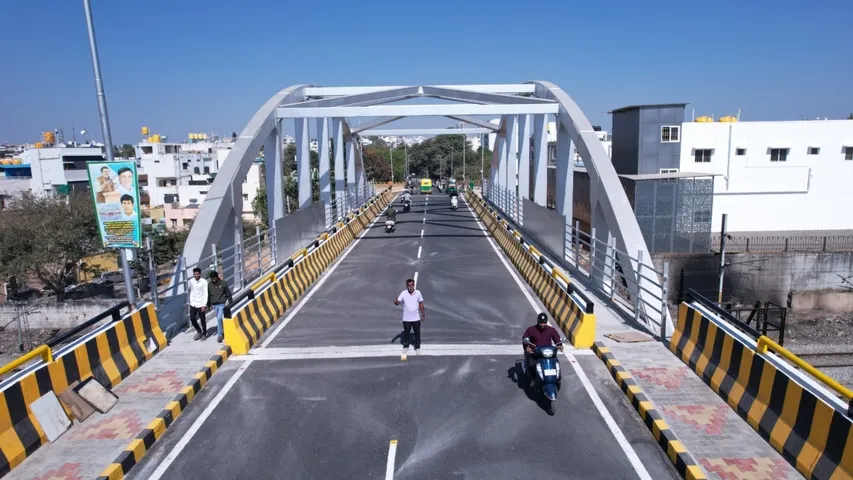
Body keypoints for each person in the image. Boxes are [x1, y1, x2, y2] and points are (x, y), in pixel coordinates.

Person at [393, 278, 425, 354]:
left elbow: (421, 304)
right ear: (406, 286)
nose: (410, 287)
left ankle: (417, 347)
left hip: (416, 318)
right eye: (409, 285)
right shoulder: (403, 293)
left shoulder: (418, 293)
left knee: (417, 333)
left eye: (412, 285)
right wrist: (396, 301)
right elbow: (397, 302)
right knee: (406, 333)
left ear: (414, 285)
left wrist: (423, 314)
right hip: (406, 319)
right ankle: (406, 346)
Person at [207, 270, 233, 342]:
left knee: (218, 318)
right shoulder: (209, 285)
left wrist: (230, 301)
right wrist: (208, 305)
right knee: (219, 319)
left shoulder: (223, 283)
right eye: (212, 278)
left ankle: (220, 335)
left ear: (217, 277)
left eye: (214, 277)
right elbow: (208, 295)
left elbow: (228, 293)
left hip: (221, 304)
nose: (213, 279)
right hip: (214, 305)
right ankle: (222, 331)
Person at [187, 267, 209, 340]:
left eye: (197, 274)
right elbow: (188, 288)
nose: (196, 275)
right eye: (195, 274)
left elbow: (206, 294)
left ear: (200, 274)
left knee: (203, 320)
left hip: (201, 304)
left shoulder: (204, 282)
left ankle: (204, 333)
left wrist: (204, 305)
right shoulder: (191, 281)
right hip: (193, 303)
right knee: (192, 318)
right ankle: (199, 331)